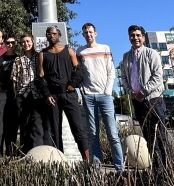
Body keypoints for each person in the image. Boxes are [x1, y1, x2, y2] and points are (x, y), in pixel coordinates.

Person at [38, 26, 90, 162]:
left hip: (69, 95)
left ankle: (87, 164)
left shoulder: (69, 51)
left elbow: (78, 69)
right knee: (55, 131)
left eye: (54, 33)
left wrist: (73, 84)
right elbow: (41, 76)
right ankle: (60, 162)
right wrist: (46, 94)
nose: (51, 36)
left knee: (78, 128)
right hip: (53, 97)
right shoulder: (43, 54)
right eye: (48, 34)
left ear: (59, 35)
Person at [120, 24, 169, 169]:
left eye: (138, 35)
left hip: (154, 100)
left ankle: (168, 170)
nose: (135, 38)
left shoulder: (151, 53)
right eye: (132, 35)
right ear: (129, 37)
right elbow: (123, 77)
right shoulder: (126, 57)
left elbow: (158, 77)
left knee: (161, 137)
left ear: (143, 37)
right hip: (137, 101)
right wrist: (131, 92)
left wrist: (143, 92)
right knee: (149, 136)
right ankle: (157, 170)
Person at [77, 23, 124, 171]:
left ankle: (119, 168)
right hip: (88, 96)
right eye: (85, 32)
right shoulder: (80, 51)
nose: (88, 34)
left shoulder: (105, 48)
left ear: (95, 33)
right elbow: (79, 73)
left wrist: (107, 91)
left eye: (90, 32)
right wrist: (83, 91)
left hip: (105, 96)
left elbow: (111, 71)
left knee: (113, 134)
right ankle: (96, 167)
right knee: (92, 134)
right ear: (83, 35)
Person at [12, 33, 43, 153]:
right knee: (24, 124)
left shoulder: (38, 57)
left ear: (33, 42)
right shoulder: (18, 59)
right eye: (23, 42)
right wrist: (16, 95)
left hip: (36, 95)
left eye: (28, 41)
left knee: (36, 124)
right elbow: (14, 79)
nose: (26, 44)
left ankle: (37, 152)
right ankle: (25, 153)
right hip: (22, 95)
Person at [0, 34, 19, 155]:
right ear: (4, 44)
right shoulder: (0, 60)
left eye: (12, 43)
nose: (10, 45)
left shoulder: (19, 58)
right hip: (1, 95)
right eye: (8, 43)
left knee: (12, 128)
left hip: (14, 96)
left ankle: (10, 155)